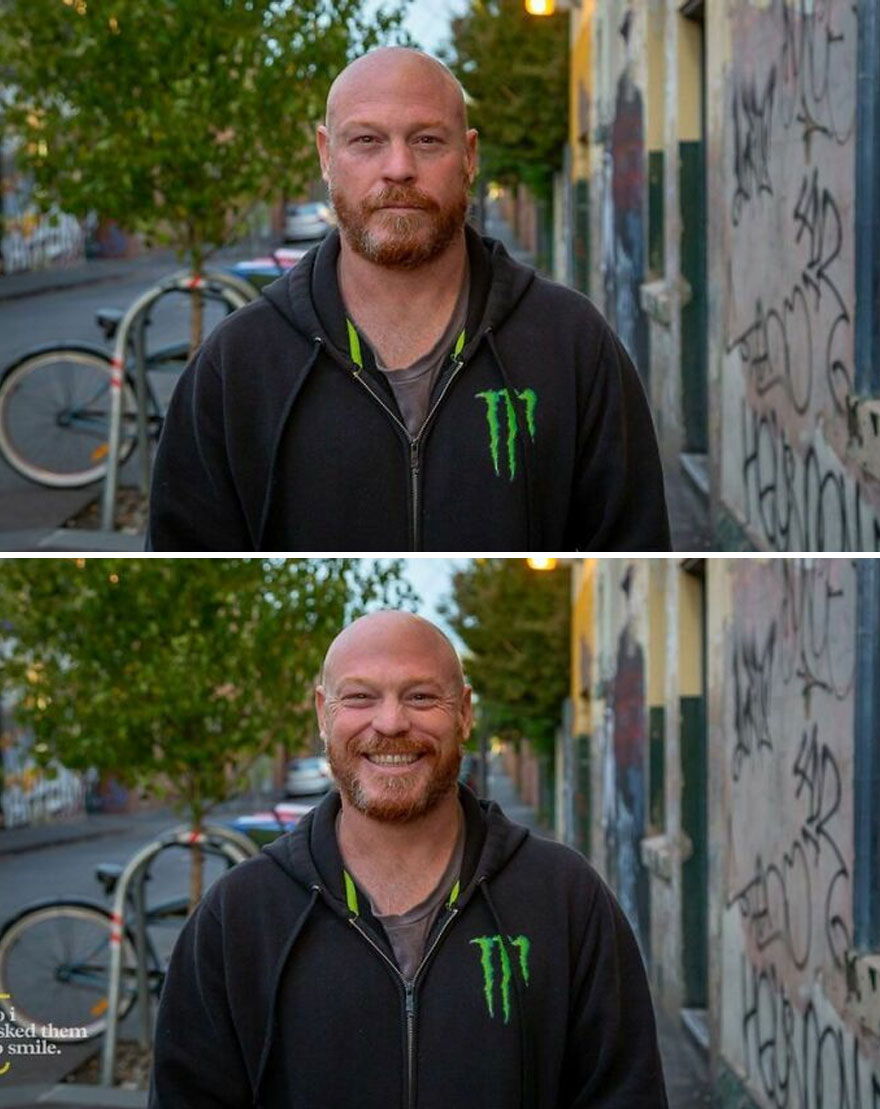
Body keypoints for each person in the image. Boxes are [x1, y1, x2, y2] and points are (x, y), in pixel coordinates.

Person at [148, 48, 670, 552]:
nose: (398, 168)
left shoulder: (572, 344)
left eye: (425, 140)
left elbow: (635, 541)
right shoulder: (236, 366)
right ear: (326, 156)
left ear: (469, 156)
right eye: (367, 140)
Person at [149, 610, 669, 1108]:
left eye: (421, 696)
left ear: (464, 712)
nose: (391, 722)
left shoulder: (566, 898)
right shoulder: (238, 916)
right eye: (359, 697)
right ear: (322, 715)